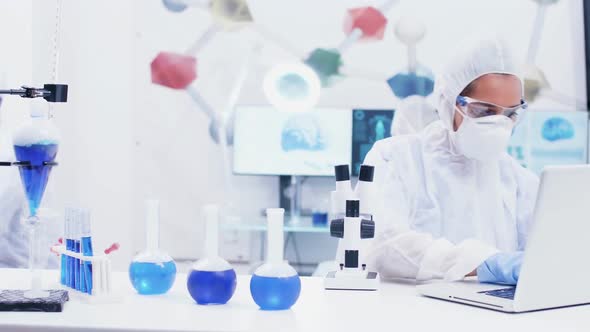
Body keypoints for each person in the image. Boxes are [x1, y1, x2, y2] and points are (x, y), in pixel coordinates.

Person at [364, 36, 538, 285]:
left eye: (510, 113)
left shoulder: (517, 177)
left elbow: (544, 249)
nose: (499, 124)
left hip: (494, 314)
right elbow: (385, 245)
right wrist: (482, 263)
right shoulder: (395, 158)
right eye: (484, 111)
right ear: (448, 102)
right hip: (411, 310)